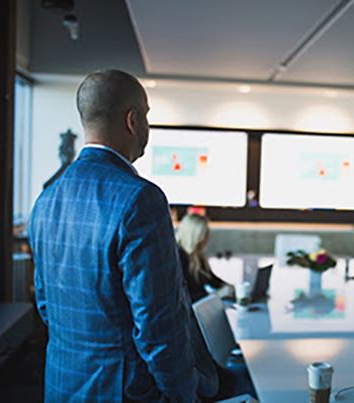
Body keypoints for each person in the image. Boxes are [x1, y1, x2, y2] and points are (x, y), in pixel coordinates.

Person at [29, 70, 217, 402]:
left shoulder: (46, 199)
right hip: (124, 390)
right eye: (146, 116)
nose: (147, 127)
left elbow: (45, 304)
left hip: (61, 383)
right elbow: (158, 325)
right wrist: (184, 395)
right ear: (132, 121)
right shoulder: (140, 200)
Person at [176, 213, 232, 303]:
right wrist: (218, 295)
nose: (207, 238)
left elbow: (212, 280)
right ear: (195, 236)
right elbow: (190, 296)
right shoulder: (179, 258)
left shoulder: (197, 256)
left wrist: (230, 288)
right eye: (205, 234)